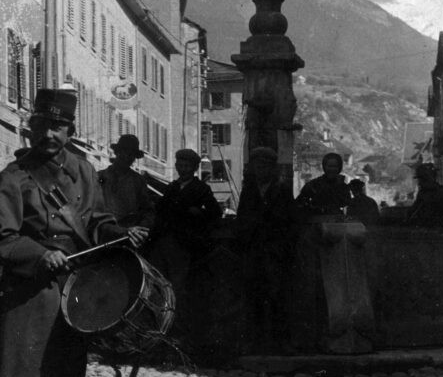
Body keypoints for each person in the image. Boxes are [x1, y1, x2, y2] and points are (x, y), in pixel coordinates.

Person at [0, 89, 147, 377]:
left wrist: (120, 234)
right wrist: (39, 255)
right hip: (33, 291)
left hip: (77, 287)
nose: (49, 134)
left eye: (58, 126)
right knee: (37, 373)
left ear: (70, 130)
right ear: (31, 128)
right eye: (43, 125)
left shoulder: (85, 171)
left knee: (70, 370)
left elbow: (98, 220)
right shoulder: (14, 177)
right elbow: (0, 236)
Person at [149, 148, 222, 341]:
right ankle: (160, 326)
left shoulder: (201, 189)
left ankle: (177, 329)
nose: (182, 168)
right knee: (160, 283)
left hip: (184, 244)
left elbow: (215, 212)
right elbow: (160, 210)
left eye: (187, 166)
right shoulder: (172, 187)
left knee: (178, 286)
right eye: (180, 165)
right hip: (164, 240)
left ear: (194, 168)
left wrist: (199, 212)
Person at [235, 147, 297, 348]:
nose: (261, 170)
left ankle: (280, 343)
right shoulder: (249, 191)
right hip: (254, 251)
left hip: (274, 252)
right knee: (254, 296)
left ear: (272, 168)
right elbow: (242, 218)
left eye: (265, 166)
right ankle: (256, 341)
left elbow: (290, 223)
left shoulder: (283, 191)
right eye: (257, 166)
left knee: (278, 296)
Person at [97, 134, 155, 233]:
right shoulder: (99, 177)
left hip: (128, 233)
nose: (128, 158)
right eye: (125, 153)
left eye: (132, 155)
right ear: (117, 152)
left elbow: (147, 210)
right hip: (103, 232)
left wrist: (141, 227)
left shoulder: (138, 181)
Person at [295, 153, 352, 217]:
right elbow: (299, 203)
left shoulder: (343, 186)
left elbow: (347, 202)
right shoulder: (313, 184)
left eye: (335, 166)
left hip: (337, 220)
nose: (332, 169)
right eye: (330, 166)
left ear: (339, 167)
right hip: (317, 219)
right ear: (324, 167)